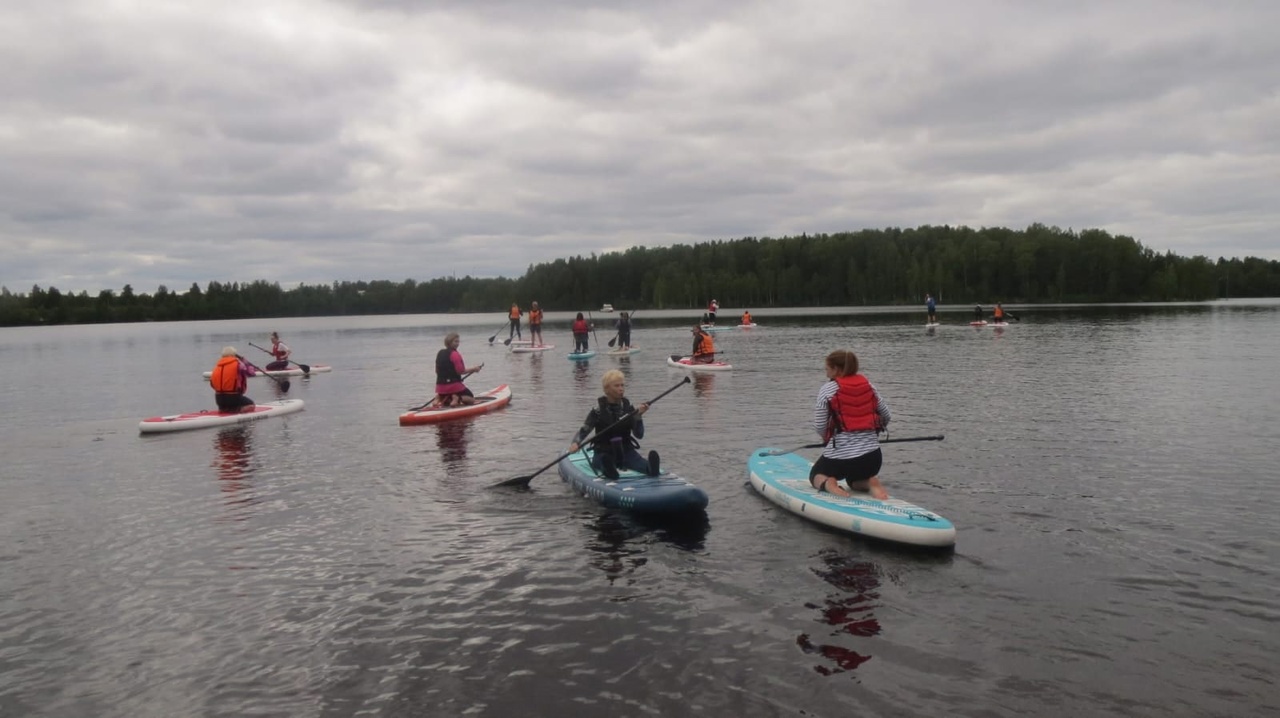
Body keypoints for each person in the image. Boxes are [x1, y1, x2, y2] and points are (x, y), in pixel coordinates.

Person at [809, 349, 892, 499]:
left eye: (827, 369)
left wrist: (826, 440)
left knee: (815, 474)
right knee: (854, 480)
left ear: (836, 369)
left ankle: (829, 483)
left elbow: (820, 426)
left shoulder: (827, 389)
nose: (826, 374)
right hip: (872, 458)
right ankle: (869, 482)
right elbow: (886, 416)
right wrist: (871, 434)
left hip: (842, 458)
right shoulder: (869, 386)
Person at [568, 369, 659, 478]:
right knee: (603, 461)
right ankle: (609, 471)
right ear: (607, 389)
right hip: (603, 452)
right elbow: (584, 431)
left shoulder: (629, 409)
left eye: (622, 385)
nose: (621, 389)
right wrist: (575, 443)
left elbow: (639, 435)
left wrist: (638, 416)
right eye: (616, 386)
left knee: (642, 464)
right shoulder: (597, 411)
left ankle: (651, 468)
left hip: (627, 452)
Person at [434, 332, 483, 407]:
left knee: (447, 401)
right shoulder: (455, 354)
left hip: (440, 387)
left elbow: (437, 371)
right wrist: (474, 369)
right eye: (455, 341)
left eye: (458, 341)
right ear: (449, 342)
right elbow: (461, 371)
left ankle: (438, 398)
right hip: (454, 386)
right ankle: (457, 398)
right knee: (471, 399)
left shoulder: (440, 353)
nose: (457, 343)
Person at [210, 346, 257, 413]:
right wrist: (246, 363)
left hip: (219, 399)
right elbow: (251, 373)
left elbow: (212, 385)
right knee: (251, 405)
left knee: (225, 404)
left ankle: (224, 409)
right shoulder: (239, 365)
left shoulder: (217, 366)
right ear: (234, 355)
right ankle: (236, 410)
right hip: (233, 398)